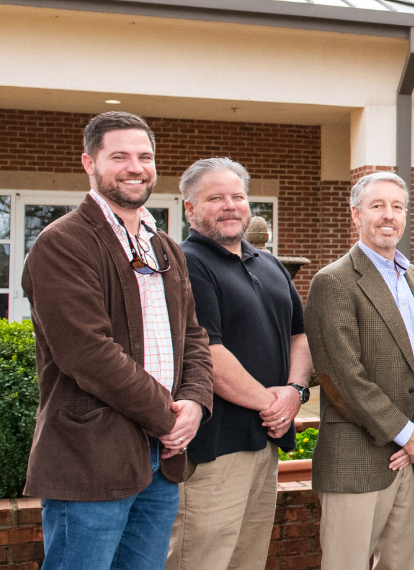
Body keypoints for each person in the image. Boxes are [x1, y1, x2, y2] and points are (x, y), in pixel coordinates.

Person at [22, 111, 214, 570]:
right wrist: (166, 419)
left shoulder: (163, 246)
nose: (136, 167)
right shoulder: (62, 243)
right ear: (89, 163)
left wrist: (194, 402)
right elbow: (87, 352)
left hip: (163, 462)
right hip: (92, 457)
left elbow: (193, 335)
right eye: (120, 156)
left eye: (145, 156)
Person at [168, 158, 313, 570]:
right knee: (199, 560)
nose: (230, 206)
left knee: (248, 561)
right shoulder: (188, 264)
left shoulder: (267, 263)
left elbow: (299, 335)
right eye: (215, 198)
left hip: (264, 443)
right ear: (190, 209)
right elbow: (208, 353)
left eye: (238, 196)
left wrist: (295, 391)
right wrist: (273, 404)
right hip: (215, 449)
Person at [305, 171, 414, 570]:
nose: (389, 215)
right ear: (356, 214)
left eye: (397, 207)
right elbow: (342, 375)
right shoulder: (332, 282)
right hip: (358, 458)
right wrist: (407, 434)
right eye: (377, 206)